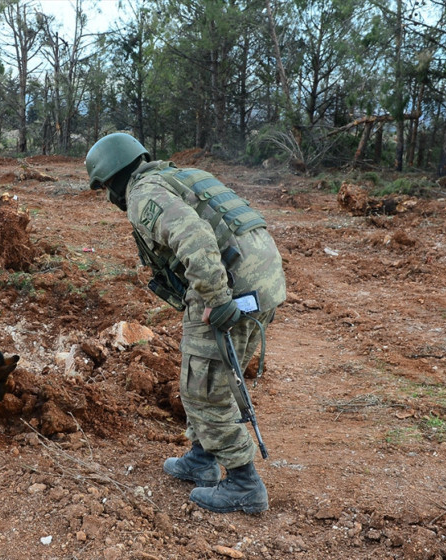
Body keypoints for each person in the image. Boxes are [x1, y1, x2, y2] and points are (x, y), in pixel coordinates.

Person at [85, 133, 286, 514]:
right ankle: (201, 457)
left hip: (229, 286)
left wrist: (216, 297)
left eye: (105, 187)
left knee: (203, 388)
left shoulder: (144, 193)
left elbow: (194, 236)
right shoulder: (178, 175)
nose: (109, 196)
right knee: (206, 373)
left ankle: (244, 483)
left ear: (112, 178)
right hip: (261, 280)